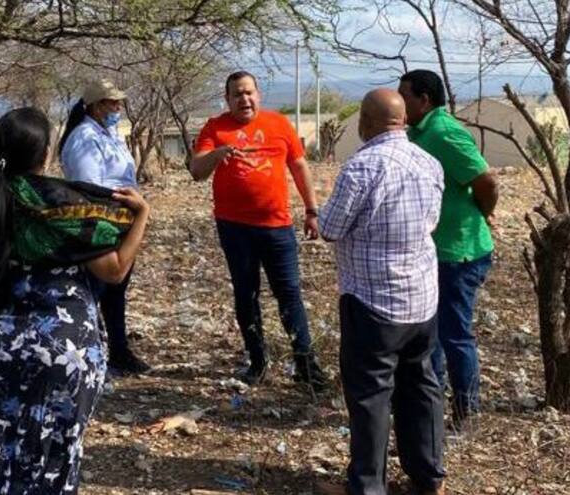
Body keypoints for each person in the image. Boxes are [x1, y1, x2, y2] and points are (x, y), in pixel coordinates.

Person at [0, 107, 150, 494]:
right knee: (52, 455)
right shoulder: (68, 208)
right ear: (45, 156)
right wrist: (141, 216)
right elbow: (115, 270)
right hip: (67, 352)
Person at [317, 89, 446, 495]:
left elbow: (331, 229)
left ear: (367, 123)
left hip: (373, 301)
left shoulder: (362, 167)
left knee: (371, 396)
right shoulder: (429, 163)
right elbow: (432, 221)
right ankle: (428, 477)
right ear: (403, 120)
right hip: (422, 299)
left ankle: (368, 487)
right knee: (422, 388)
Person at [189, 71, 328, 392]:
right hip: (235, 229)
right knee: (246, 293)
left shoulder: (278, 124)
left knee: (289, 294)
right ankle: (257, 362)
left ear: (258, 95)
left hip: (277, 227)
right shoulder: (215, 128)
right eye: (237, 94)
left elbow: (299, 166)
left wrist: (311, 211)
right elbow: (197, 171)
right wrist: (217, 154)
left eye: (249, 92)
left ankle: (306, 364)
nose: (244, 99)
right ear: (227, 99)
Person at [399, 69, 498, 428]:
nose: (400, 102)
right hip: (434, 252)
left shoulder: (445, 134)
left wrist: (482, 214)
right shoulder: (416, 134)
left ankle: (467, 413)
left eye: (405, 95)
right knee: (432, 335)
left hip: (460, 252)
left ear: (424, 100)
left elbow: (485, 181)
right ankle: (432, 410)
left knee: (455, 334)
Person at [59, 78, 150, 374]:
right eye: (112, 103)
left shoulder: (110, 134)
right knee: (94, 291)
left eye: (119, 103)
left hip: (123, 223)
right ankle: (85, 356)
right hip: (100, 225)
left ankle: (119, 352)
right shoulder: (84, 138)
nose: (118, 108)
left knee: (115, 292)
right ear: (96, 106)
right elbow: (89, 187)